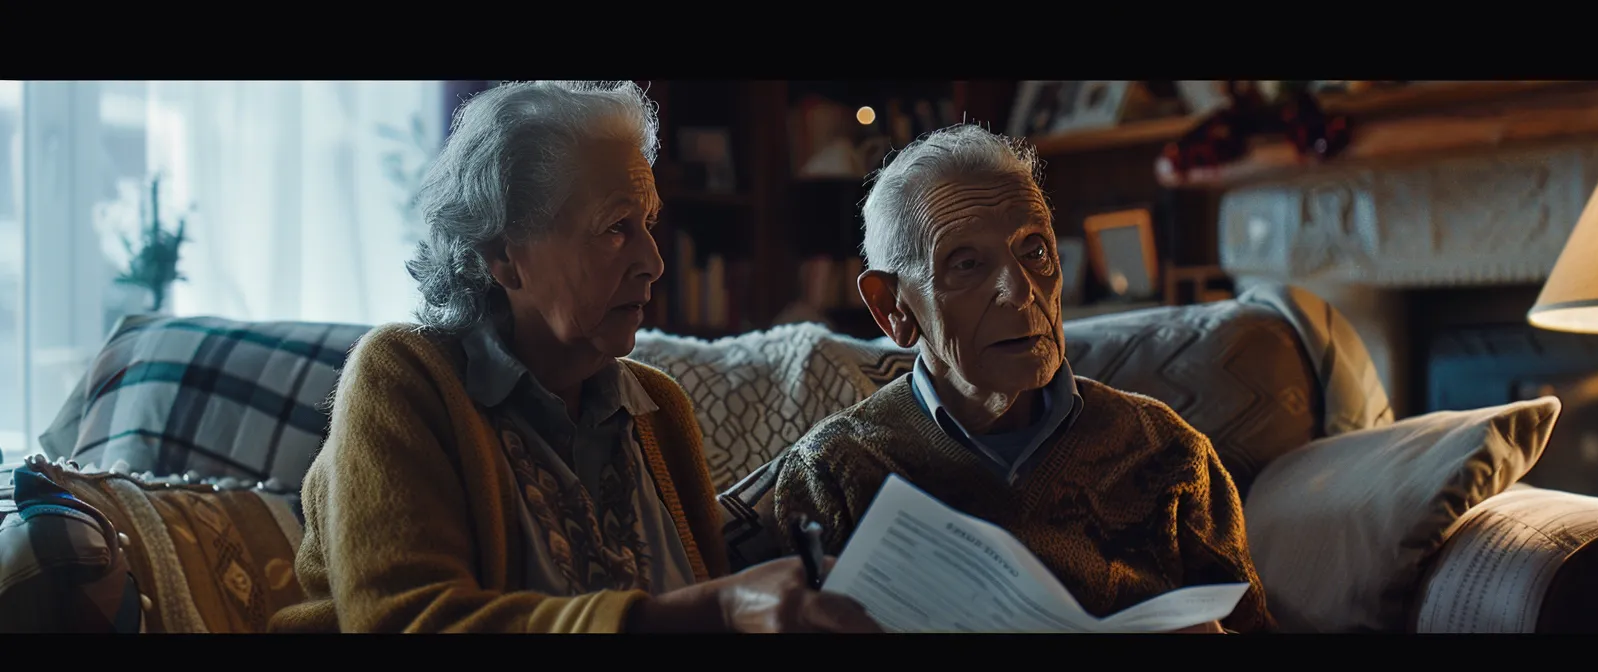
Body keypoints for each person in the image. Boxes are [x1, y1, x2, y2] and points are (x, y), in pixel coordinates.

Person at [269, 81, 878, 634]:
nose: (654, 263)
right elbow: (409, 622)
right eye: (616, 227)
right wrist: (710, 610)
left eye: (649, 224)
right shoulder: (404, 379)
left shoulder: (657, 409)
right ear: (504, 256)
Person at [770, 124, 1273, 633]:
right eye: (966, 264)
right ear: (893, 307)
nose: (1020, 291)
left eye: (1034, 250)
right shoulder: (835, 473)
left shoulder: (1166, 451)